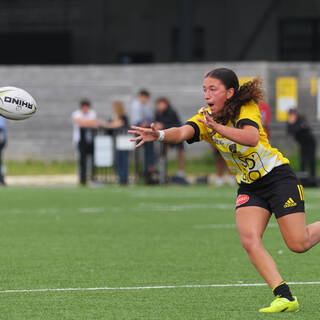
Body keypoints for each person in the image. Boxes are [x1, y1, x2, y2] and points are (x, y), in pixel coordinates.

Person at [129, 68, 320, 313]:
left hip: (278, 178)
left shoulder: (246, 108)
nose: (207, 94)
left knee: (298, 243)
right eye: (204, 90)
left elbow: (250, 138)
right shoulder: (206, 117)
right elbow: (182, 132)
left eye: (213, 89)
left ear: (229, 93)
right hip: (251, 186)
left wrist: (216, 128)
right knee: (250, 240)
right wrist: (160, 135)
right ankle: (284, 296)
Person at [72, 99, 105, 185]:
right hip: (80, 140)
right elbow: (81, 123)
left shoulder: (92, 113)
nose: (86, 109)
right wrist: (90, 123)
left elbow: (91, 122)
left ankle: (91, 177)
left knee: (91, 160)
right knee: (81, 160)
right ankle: (82, 178)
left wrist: (87, 123)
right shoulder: (76, 113)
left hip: (90, 140)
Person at [154, 97, 186, 181]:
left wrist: (163, 126)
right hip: (165, 137)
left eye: (161, 104)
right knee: (162, 154)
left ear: (165, 104)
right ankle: (162, 172)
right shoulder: (157, 113)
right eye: (158, 104)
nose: (159, 106)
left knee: (180, 153)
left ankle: (181, 172)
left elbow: (176, 125)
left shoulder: (171, 112)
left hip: (176, 135)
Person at [130, 89, 155, 183]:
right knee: (138, 153)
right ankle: (139, 174)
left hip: (146, 132)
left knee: (150, 153)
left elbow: (150, 119)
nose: (145, 99)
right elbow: (136, 121)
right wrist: (143, 124)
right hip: (138, 132)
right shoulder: (136, 105)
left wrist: (147, 123)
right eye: (143, 97)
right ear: (140, 96)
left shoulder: (146, 106)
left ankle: (148, 173)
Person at [287, 108, 316, 178]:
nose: (292, 116)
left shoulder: (301, 119)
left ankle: (313, 177)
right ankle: (303, 178)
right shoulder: (290, 123)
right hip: (302, 144)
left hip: (310, 142)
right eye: (291, 115)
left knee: (311, 160)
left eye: (293, 114)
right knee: (303, 160)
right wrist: (292, 125)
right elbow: (289, 131)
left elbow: (302, 128)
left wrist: (295, 125)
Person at [106, 101, 130, 185]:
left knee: (124, 160)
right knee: (117, 160)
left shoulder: (124, 117)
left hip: (124, 142)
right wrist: (114, 124)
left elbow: (123, 126)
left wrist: (113, 124)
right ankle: (120, 177)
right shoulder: (112, 117)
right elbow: (109, 128)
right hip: (116, 141)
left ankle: (124, 178)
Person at [0, 116, 7, 185]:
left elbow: (1, 129)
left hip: (1, 141)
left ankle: (2, 178)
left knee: (0, 161)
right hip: (2, 140)